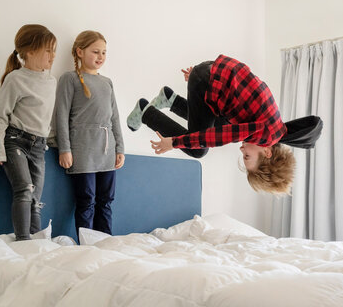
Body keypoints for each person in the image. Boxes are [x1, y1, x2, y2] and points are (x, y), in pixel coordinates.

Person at [127, 55, 322, 195]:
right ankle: (146, 113)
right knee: (199, 150)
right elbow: (216, 138)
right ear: (267, 152)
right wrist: (174, 143)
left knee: (216, 125)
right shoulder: (263, 133)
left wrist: (206, 74)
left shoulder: (276, 129)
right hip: (209, 81)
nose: (241, 149)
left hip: (213, 74)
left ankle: (170, 99)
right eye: (247, 155)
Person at [0, 24, 57, 241]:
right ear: (30, 52)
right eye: (48, 50)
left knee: (36, 198)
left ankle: (36, 241)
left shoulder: (51, 81)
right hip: (15, 141)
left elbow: (46, 118)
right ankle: (23, 240)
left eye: (54, 50)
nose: (52, 55)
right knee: (25, 191)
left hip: (39, 146)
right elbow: (0, 116)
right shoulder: (15, 79)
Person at [54, 30, 125, 240]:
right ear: (79, 52)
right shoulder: (69, 79)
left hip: (107, 150)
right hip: (82, 150)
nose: (100, 56)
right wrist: (64, 149)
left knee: (106, 200)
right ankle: (86, 246)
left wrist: (119, 148)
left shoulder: (107, 82)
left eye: (104, 52)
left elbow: (115, 119)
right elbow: (61, 116)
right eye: (95, 51)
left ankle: (105, 243)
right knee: (87, 200)